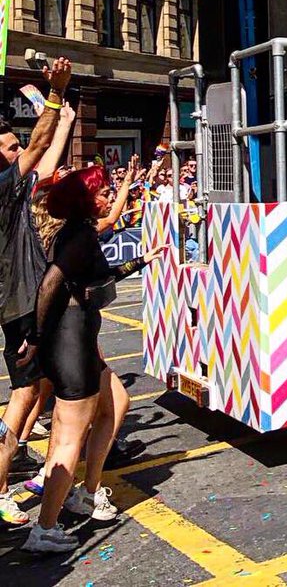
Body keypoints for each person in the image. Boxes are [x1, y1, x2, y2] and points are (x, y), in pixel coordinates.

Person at [20, 166, 168, 553]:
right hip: (71, 343)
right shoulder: (79, 236)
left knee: (116, 402)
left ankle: (86, 491)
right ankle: (45, 528)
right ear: (85, 199)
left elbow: (98, 279)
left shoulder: (77, 233)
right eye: (101, 191)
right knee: (68, 438)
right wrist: (35, 338)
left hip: (75, 339)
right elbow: (51, 282)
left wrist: (144, 259)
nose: (107, 197)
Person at [0, 57, 71, 528]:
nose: (16, 150)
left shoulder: (13, 185)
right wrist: (56, 92)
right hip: (19, 306)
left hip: (19, 304)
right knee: (26, 394)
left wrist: (61, 115)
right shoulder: (3, 185)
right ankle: (3, 483)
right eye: (8, 147)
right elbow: (41, 143)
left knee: (33, 391)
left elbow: (45, 151)